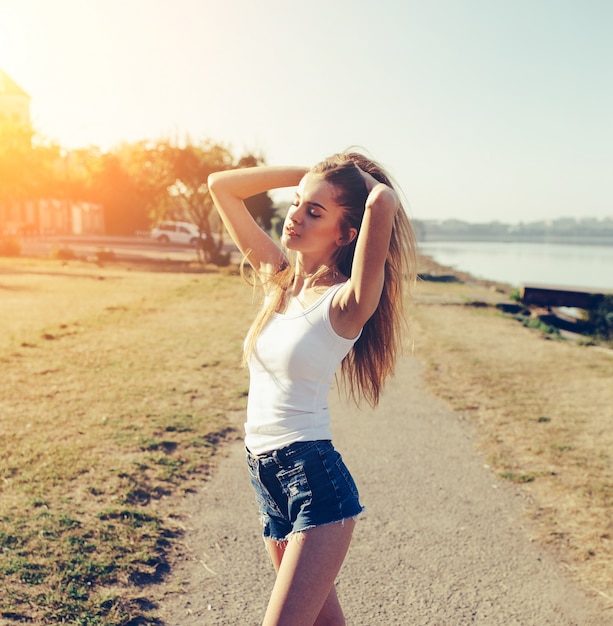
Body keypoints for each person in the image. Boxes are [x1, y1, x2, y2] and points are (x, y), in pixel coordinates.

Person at [208, 150, 417, 626]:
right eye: (297, 202)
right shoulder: (279, 281)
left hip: (313, 483)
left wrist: (363, 180)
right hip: (266, 479)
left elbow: (382, 200)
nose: (294, 216)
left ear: (347, 234)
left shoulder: (346, 303)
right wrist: (307, 174)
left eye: (315, 211)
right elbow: (221, 186)